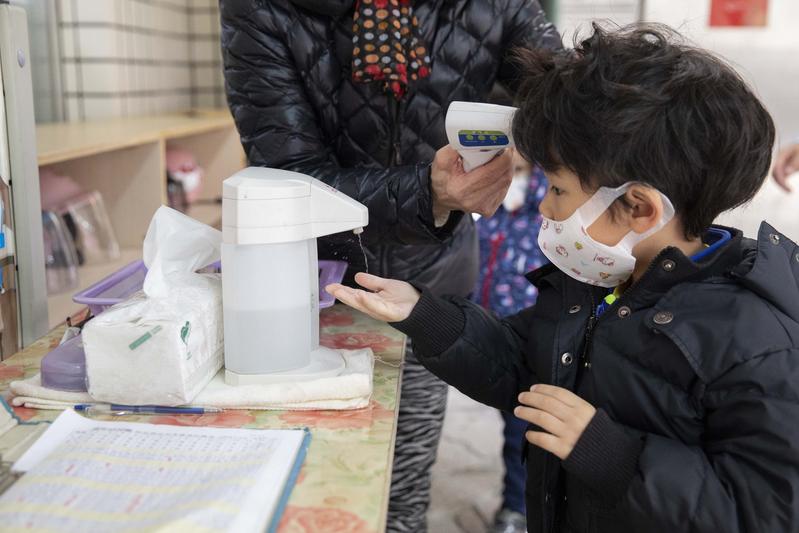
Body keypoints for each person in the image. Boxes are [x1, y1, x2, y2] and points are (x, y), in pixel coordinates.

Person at [327, 24, 799, 533]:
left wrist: (610, 454)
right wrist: (424, 313)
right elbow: (524, 369)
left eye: (556, 189)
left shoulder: (757, 342)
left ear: (638, 207)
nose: (546, 208)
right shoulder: (601, 280)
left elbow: (764, 512)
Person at [219, 1, 561, 531]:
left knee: (402, 485)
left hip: (431, 288)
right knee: (303, 482)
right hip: (305, 288)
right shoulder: (263, 8)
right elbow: (288, 175)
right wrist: (427, 192)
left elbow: (563, 91)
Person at [472, 152, 548, 533]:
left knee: (521, 428)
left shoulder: (549, 205)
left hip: (530, 338)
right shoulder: (487, 196)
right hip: (486, 328)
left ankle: (517, 509)